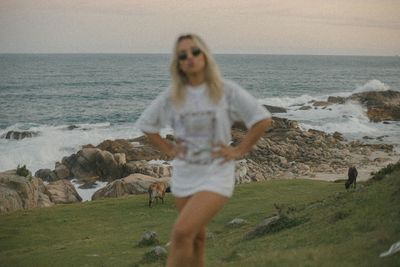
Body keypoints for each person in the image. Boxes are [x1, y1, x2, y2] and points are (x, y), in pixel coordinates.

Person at [136, 33, 272, 267]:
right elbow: (148, 126)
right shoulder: (173, 95)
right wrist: (169, 149)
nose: (189, 57)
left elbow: (261, 119)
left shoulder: (225, 91)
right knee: (197, 239)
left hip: (216, 174)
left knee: (180, 234)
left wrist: (239, 150)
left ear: (205, 56)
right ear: (178, 63)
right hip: (184, 175)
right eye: (183, 54)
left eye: (195, 51)